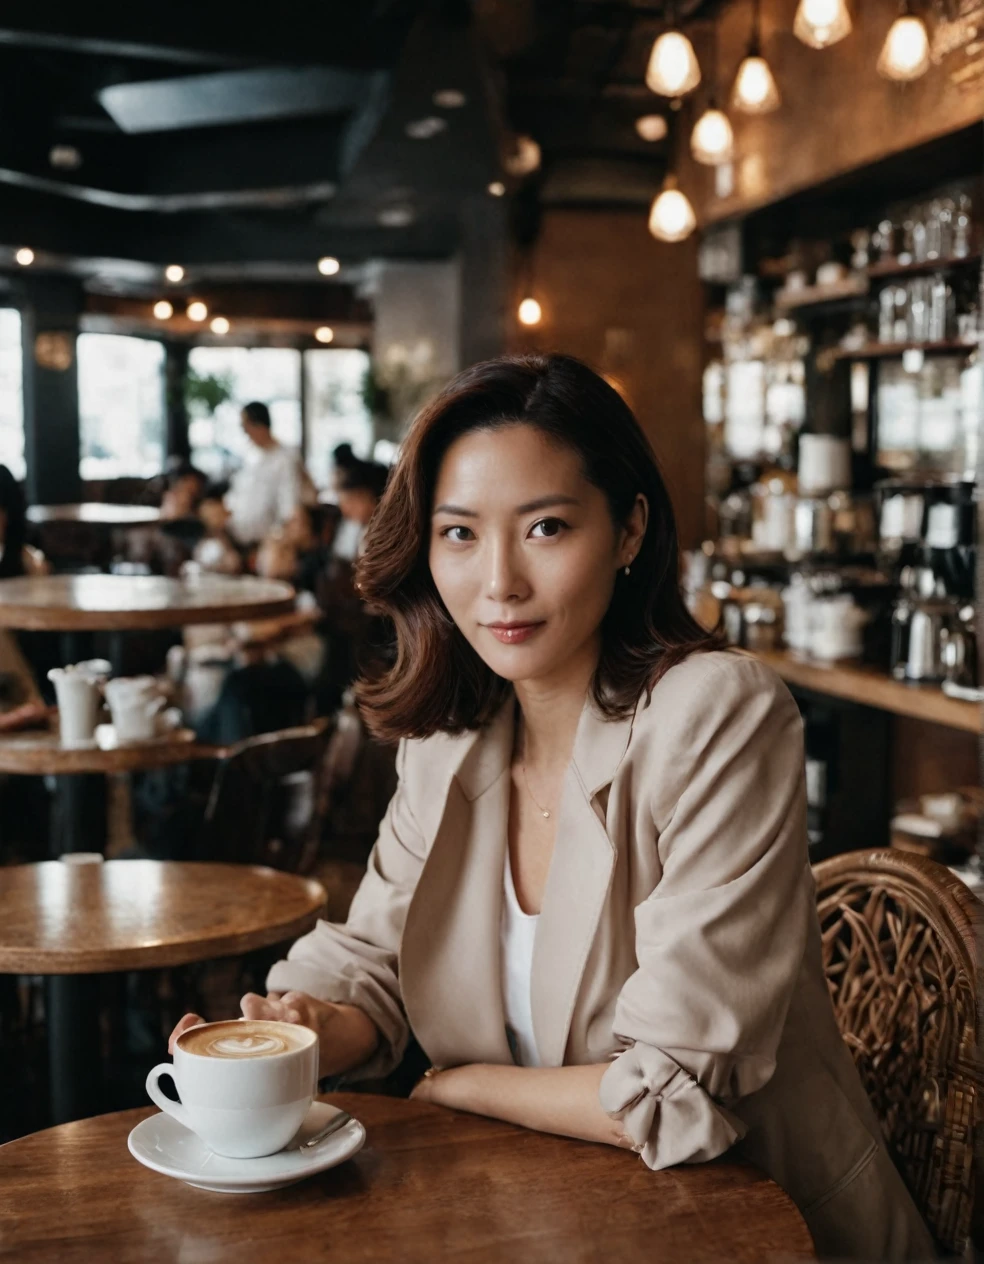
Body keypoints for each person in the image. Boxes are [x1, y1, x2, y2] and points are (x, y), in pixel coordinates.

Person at [171, 355, 932, 1260]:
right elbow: (372, 957)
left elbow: (670, 1090)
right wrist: (308, 1029)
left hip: (754, 1227)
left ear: (628, 530)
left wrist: (459, 1087)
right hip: (539, 1217)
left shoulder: (717, 714)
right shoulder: (448, 737)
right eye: (459, 533)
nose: (498, 583)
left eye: (545, 527)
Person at [224, 402, 316, 546]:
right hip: (238, 535)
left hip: (268, 539)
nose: (245, 432)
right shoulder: (249, 456)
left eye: (245, 427)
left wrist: (281, 535)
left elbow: (288, 502)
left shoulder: (285, 458)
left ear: (258, 425)